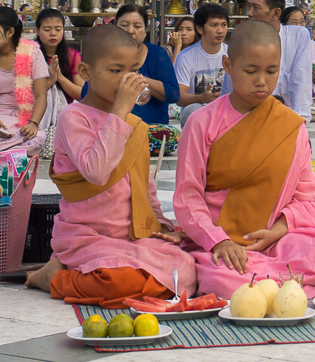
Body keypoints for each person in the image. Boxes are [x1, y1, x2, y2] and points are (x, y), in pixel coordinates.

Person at [175, 21, 315, 298]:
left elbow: (306, 198)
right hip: (221, 241)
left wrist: (277, 230)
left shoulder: (291, 126)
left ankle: (268, 287)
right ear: (227, 65)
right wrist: (218, 242)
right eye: (251, 70)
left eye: (271, 71)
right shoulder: (202, 123)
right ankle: (294, 287)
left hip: (275, 239)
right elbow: (188, 197)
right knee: (222, 280)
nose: (261, 80)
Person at [25, 25, 195, 307]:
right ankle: (54, 277)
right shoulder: (74, 117)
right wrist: (119, 111)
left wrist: (161, 224)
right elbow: (96, 170)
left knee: (187, 271)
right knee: (120, 282)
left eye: (131, 71)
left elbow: (144, 186)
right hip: (88, 237)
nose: (126, 80)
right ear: (88, 73)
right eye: (115, 71)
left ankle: (85, 276)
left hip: (132, 237)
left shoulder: (133, 124)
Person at [222, 0, 312, 123]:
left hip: (284, 113)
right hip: (246, 116)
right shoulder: (242, 38)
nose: (250, 13)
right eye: (249, 7)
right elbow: (230, 89)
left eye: (256, 8)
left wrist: (299, 122)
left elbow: (301, 80)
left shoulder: (298, 36)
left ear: (275, 13)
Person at [113, 4, 179, 129]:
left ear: (145, 30)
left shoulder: (157, 54)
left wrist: (138, 78)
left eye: (137, 26)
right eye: (124, 25)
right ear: (114, 27)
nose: (130, 31)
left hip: (152, 131)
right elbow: (86, 93)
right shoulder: (106, 56)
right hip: (115, 130)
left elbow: (173, 94)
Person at [0, 7, 49, 155]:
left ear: (10, 32)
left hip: (20, 122)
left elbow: (41, 96)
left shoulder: (33, 53)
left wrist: (33, 123)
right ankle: (9, 155)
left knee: (38, 138)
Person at [175, 3, 228, 128]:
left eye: (224, 25)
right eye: (214, 25)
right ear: (199, 29)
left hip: (226, 112)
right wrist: (201, 98)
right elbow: (179, 97)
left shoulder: (232, 53)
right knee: (192, 110)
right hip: (199, 114)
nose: (220, 30)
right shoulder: (185, 57)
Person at [36, 8, 84, 104]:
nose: (53, 33)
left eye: (58, 29)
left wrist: (60, 77)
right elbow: (25, 94)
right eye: (47, 29)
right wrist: (50, 81)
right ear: (37, 31)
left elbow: (82, 95)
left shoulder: (72, 56)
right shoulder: (30, 54)